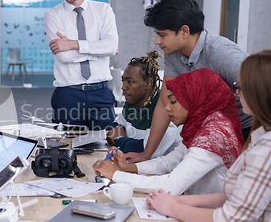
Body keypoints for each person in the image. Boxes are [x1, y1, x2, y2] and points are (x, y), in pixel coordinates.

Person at [146, 51, 271, 222]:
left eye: (240, 88)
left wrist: (173, 208)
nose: (238, 94)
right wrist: (177, 201)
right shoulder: (260, 137)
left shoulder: (263, 149)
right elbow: (230, 196)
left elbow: (231, 221)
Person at [127, 0, 250, 163]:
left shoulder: (221, 53)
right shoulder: (174, 54)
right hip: (214, 129)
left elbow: (261, 91)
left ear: (184, 31)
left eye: (162, 34)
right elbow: (164, 104)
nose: (157, 41)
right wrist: (146, 154)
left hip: (247, 128)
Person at [93, 68, 245, 196]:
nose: (167, 108)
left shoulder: (214, 136)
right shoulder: (203, 127)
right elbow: (169, 162)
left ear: (194, 101)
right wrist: (129, 168)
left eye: (173, 101)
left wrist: (115, 174)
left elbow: (171, 185)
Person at [44, 0, 119, 130]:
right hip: (68, 94)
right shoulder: (52, 15)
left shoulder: (104, 10)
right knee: (66, 150)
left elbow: (110, 46)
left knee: (108, 145)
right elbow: (64, 56)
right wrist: (100, 49)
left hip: (101, 93)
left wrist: (74, 44)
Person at [106, 47, 181, 157]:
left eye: (130, 82)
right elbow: (114, 126)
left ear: (148, 84)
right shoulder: (132, 103)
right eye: (123, 81)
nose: (123, 87)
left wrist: (118, 139)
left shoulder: (167, 107)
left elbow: (147, 150)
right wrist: (117, 135)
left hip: (167, 170)